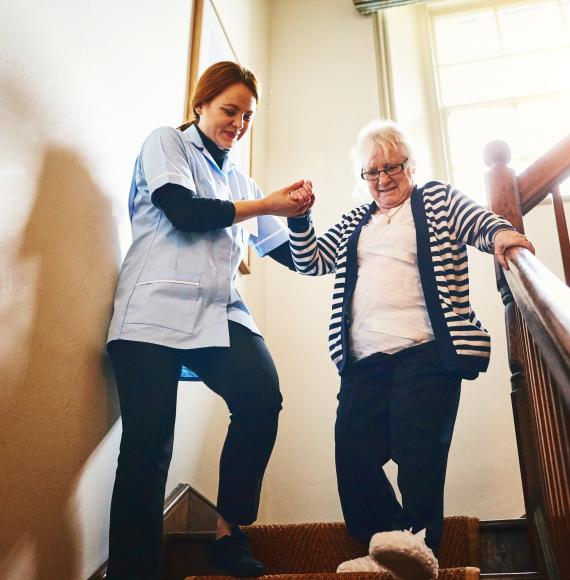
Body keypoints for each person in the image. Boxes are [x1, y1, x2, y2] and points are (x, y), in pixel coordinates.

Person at [286, 119, 534, 579]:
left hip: (426, 350)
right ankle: (384, 547)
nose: (382, 178)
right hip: (364, 359)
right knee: (352, 452)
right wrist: (300, 218)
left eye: (391, 167)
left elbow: (475, 220)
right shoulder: (356, 221)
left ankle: (416, 541)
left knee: (417, 446)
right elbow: (310, 260)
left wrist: (501, 236)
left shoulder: (435, 198)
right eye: (371, 172)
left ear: (410, 165)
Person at [105, 61, 313, 580]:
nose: (238, 123)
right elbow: (183, 210)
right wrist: (267, 203)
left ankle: (228, 534)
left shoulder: (241, 178)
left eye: (247, 115)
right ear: (200, 104)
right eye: (229, 110)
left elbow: (290, 253)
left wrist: (302, 214)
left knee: (262, 397)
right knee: (148, 450)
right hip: (151, 314)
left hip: (219, 310)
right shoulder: (167, 143)